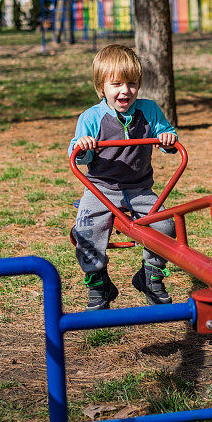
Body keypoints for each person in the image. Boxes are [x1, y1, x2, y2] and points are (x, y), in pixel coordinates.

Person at [69, 44, 177, 311]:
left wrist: (166, 139)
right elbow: (77, 156)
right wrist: (83, 146)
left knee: (166, 227)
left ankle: (150, 276)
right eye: (116, 83)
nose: (124, 90)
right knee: (86, 232)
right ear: (101, 86)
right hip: (100, 189)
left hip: (140, 188)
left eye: (131, 83)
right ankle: (98, 284)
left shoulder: (149, 111)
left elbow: (168, 137)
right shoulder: (91, 117)